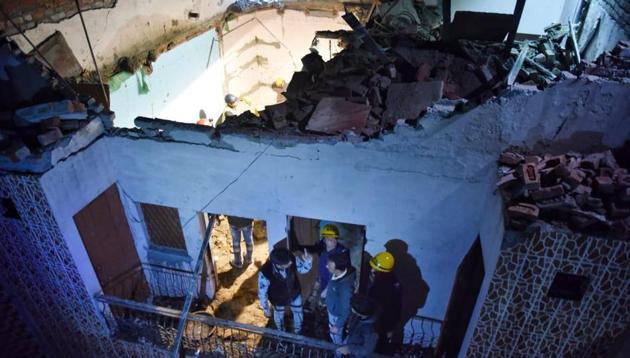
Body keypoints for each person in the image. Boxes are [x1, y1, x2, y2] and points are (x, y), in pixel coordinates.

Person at [258, 247, 312, 333]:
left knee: (298, 312)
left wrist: (308, 261)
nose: (291, 262)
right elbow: (262, 293)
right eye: (288, 263)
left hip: (294, 293)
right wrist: (266, 309)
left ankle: (298, 331)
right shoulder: (265, 272)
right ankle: (282, 333)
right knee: (279, 315)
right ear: (278, 265)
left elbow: (302, 270)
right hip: (277, 298)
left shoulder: (290, 258)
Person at [368, 251, 402, 355]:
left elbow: (393, 309)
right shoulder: (391, 281)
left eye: (375, 269)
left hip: (381, 324)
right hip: (379, 323)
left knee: (376, 348)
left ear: (383, 271)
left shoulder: (385, 287)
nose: (372, 270)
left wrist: (390, 328)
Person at [326, 251, 356, 344]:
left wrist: (337, 325)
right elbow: (333, 281)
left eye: (329, 266)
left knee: (335, 336)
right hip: (333, 308)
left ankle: (338, 353)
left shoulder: (345, 288)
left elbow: (346, 309)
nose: (326, 266)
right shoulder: (341, 272)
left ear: (337, 270)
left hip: (336, 315)